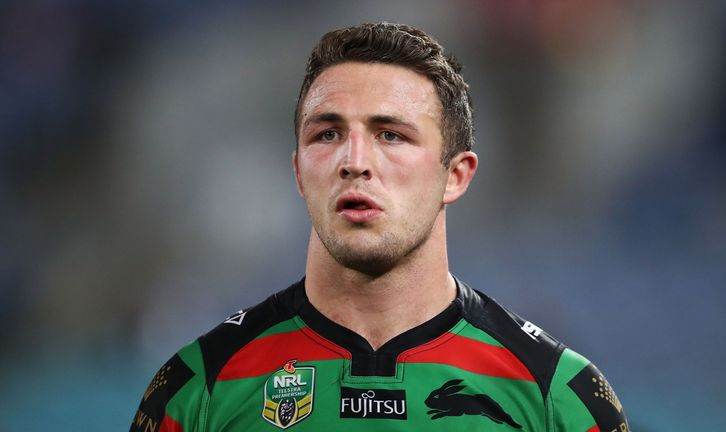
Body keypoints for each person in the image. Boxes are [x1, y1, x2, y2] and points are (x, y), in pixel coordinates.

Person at [130, 22, 630, 432]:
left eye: (390, 134)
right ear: (300, 172)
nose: (354, 161)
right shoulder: (198, 391)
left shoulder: (557, 401)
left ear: (455, 176)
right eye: (328, 134)